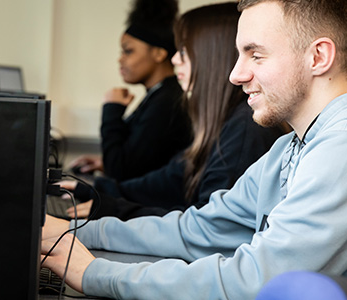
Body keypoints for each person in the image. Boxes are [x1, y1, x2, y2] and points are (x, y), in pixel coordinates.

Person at [42, 0, 347, 299]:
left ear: (318, 56)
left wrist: (93, 273)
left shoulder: (339, 146)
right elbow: (199, 229)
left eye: (255, 55)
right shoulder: (288, 147)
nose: (235, 75)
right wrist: (76, 231)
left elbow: (253, 279)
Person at [62, 2, 285, 221]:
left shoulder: (245, 127)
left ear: (212, 57)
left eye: (184, 51)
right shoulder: (220, 121)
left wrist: (115, 210)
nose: (174, 59)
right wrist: (98, 191)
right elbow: (170, 180)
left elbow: (210, 227)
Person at [69, 0, 192, 182]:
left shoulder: (166, 103)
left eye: (128, 51)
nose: (120, 59)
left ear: (159, 53)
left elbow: (120, 171)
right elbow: (141, 161)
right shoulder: (159, 94)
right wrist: (105, 163)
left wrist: (112, 110)